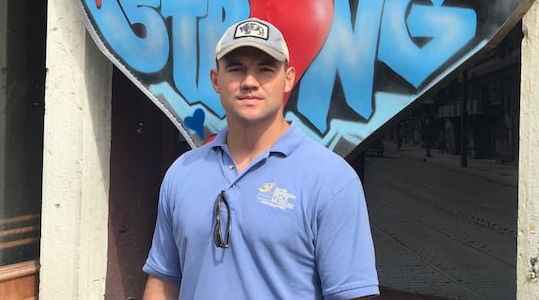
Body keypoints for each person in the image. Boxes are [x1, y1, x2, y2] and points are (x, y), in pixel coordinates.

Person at [142, 18, 380, 299]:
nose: (249, 82)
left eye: (265, 69)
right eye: (236, 69)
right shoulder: (182, 173)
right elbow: (164, 283)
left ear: (288, 78)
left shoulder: (331, 181)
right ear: (216, 80)